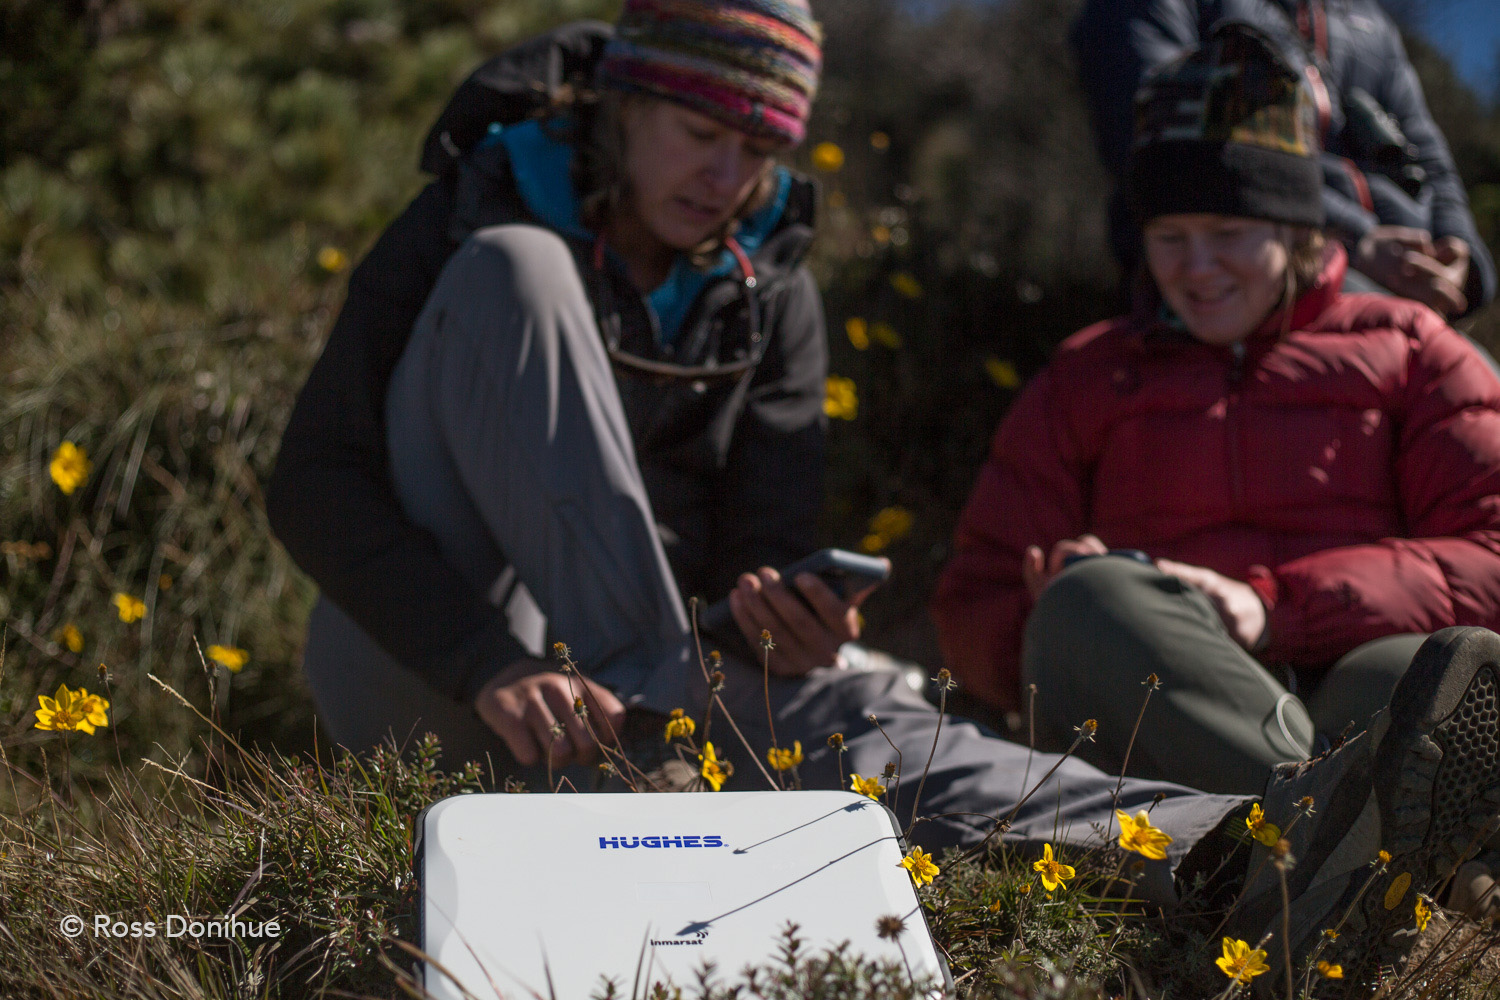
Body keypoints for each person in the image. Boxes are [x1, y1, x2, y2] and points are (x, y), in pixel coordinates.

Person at [265, 8, 1500, 986]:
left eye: (760, 148)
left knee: (867, 714)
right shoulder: (468, 215)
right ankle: (656, 733)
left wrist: (776, 617)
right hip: (443, 658)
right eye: (704, 132)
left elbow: (759, 551)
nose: (729, 173)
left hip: (651, 724)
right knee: (519, 273)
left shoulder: (770, 289)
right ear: (628, 100)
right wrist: (485, 657)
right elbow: (311, 484)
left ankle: (1255, 848)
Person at [931, 21, 1500, 800]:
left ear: (1296, 226)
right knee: (1090, 603)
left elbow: (1491, 553)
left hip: (1351, 677)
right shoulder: (1088, 376)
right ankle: (1326, 846)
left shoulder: (1413, 351)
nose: (1196, 269)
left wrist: (1273, 608)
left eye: (1228, 232)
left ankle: (1290, 849)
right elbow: (972, 604)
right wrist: (1047, 615)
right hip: (1173, 703)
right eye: (1170, 236)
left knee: (1427, 672)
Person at [1070, 0, 1496, 321]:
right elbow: (1168, 150)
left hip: (1404, 283)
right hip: (1261, 278)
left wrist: (1459, 256)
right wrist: (1356, 242)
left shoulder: (1368, 23)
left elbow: (1429, 154)